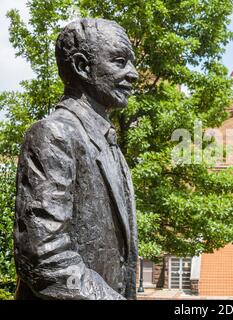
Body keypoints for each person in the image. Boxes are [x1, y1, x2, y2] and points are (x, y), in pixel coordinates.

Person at [14, 18, 139, 300]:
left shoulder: (108, 143)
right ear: (82, 67)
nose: (134, 74)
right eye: (120, 62)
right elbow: (43, 258)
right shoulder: (55, 134)